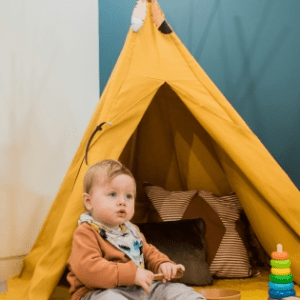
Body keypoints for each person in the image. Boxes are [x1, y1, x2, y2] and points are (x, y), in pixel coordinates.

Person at [67, 159, 206, 300]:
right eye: (113, 194)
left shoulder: (131, 230)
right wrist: (132, 274)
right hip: (98, 292)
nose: (123, 201)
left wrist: (162, 264)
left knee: (176, 290)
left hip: (139, 288)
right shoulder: (86, 232)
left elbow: (148, 253)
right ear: (89, 202)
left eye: (129, 196)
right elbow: (89, 270)